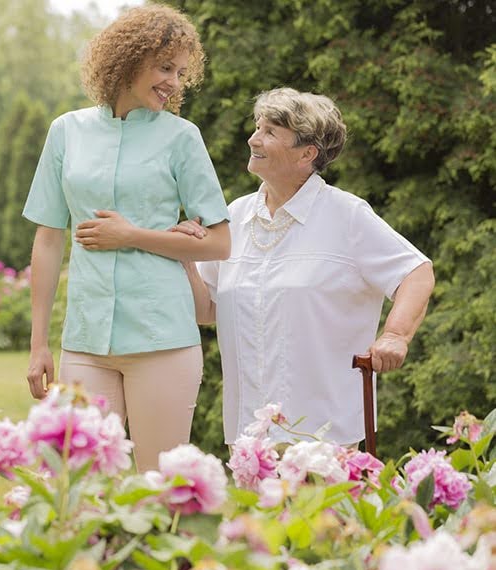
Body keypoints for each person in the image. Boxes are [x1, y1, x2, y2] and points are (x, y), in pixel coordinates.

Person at [22, 5, 231, 471]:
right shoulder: (66, 131)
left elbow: (219, 242)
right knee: (80, 483)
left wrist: (133, 235)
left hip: (163, 338)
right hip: (85, 340)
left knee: (157, 486)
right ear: (127, 60)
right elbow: (49, 239)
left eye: (180, 71)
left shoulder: (182, 138)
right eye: (163, 67)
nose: (174, 82)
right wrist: (40, 343)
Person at [178, 87, 435, 447]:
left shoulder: (346, 215)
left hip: (325, 437)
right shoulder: (234, 216)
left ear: (307, 153)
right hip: (250, 438)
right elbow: (206, 309)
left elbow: (416, 272)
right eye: (257, 127)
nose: (254, 138)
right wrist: (187, 259)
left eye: (270, 132)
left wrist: (395, 334)